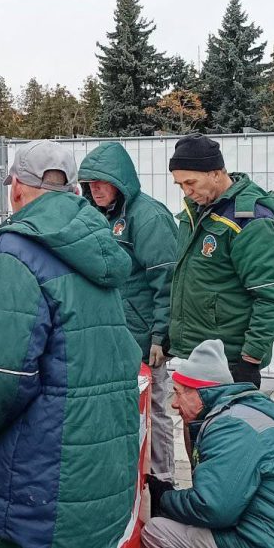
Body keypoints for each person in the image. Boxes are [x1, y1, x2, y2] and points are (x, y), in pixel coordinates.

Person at [0, 140, 142, 548]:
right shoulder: (99, 253)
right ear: (75, 191)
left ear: (16, 187)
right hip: (102, 476)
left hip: (40, 491)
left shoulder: (12, 255)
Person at [143, 339, 274, 548]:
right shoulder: (246, 415)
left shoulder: (228, 428)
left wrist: (162, 498)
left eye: (179, 392)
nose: (174, 403)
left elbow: (214, 508)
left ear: (200, 392)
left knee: (157, 530)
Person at [79, 141, 179, 485]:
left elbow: (167, 280)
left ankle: (161, 480)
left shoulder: (148, 216)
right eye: (90, 183)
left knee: (154, 408)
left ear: (120, 181)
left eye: (102, 182)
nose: (96, 189)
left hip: (141, 338)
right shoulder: (93, 216)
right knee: (116, 409)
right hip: (106, 336)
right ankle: (125, 477)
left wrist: (161, 336)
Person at [166, 134, 274, 388]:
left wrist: (250, 361)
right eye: (180, 185)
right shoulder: (195, 212)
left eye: (191, 182)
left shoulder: (249, 221)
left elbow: (270, 298)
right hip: (197, 354)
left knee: (223, 428)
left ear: (216, 173)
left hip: (229, 362)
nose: (187, 191)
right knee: (196, 427)